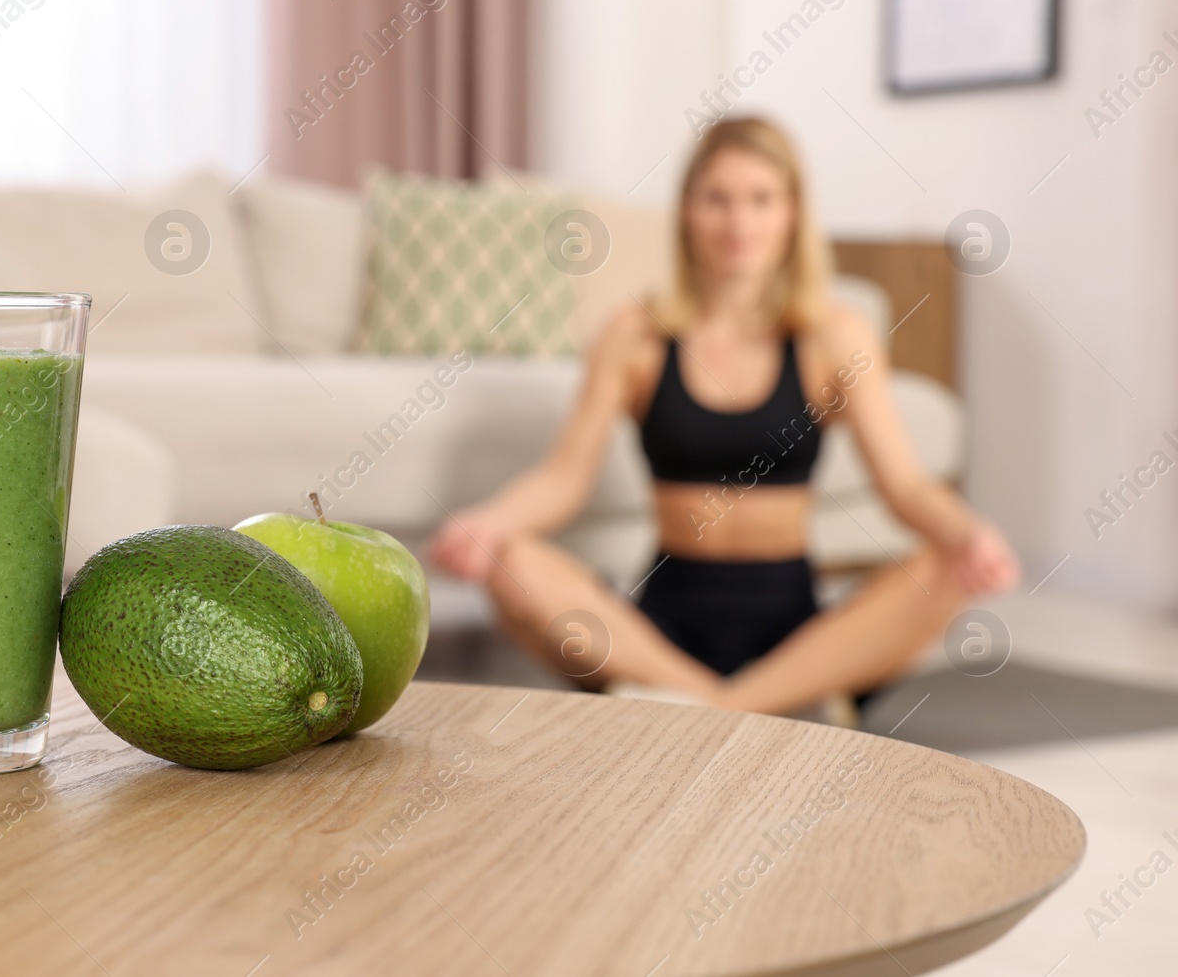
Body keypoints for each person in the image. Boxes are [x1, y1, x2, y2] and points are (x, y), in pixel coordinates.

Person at [428, 117, 1020, 716]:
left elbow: (908, 488)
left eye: (761, 200)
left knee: (947, 567)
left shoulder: (835, 337)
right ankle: (749, 705)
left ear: (792, 213)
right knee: (511, 563)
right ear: (686, 210)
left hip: (795, 639)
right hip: (658, 636)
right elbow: (562, 479)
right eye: (718, 199)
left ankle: (711, 706)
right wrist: (489, 523)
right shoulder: (635, 334)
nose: (740, 223)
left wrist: (969, 533)